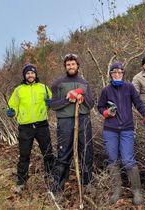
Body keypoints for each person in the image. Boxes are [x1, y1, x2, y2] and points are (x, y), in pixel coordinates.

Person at [97, 62, 145, 205]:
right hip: (110, 130)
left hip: (126, 129)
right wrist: (105, 113)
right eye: (114, 72)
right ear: (110, 74)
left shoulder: (129, 87)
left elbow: (139, 104)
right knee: (112, 159)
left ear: (123, 74)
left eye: (119, 72)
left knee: (128, 160)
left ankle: (137, 191)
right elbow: (100, 106)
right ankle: (117, 190)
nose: (117, 74)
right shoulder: (106, 90)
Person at [6, 63, 55, 194]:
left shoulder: (43, 88)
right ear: (24, 75)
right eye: (28, 73)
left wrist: (50, 104)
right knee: (24, 154)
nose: (30, 75)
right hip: (25, 127)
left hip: (41, 125)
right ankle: (21, 181)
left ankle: (50, 176)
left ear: (36, 74)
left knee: (48, 152)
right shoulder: (18, 90)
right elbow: (13, 105)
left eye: (32, 73)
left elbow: (51, 101)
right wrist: (11, 112)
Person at [50, 53, 94, 195]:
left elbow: (91, 104)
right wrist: (67, 99)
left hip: (83, 119)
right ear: (65, 67)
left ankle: (87, 184)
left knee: (86, 152)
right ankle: (58, 187)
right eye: (68, 64)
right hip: (65, 121)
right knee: (64, 153)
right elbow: (53, 105)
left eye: (73, 64)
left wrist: (82, 98)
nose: (71, 66)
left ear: (77, 65)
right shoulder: (58, 83)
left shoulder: (84, 83)